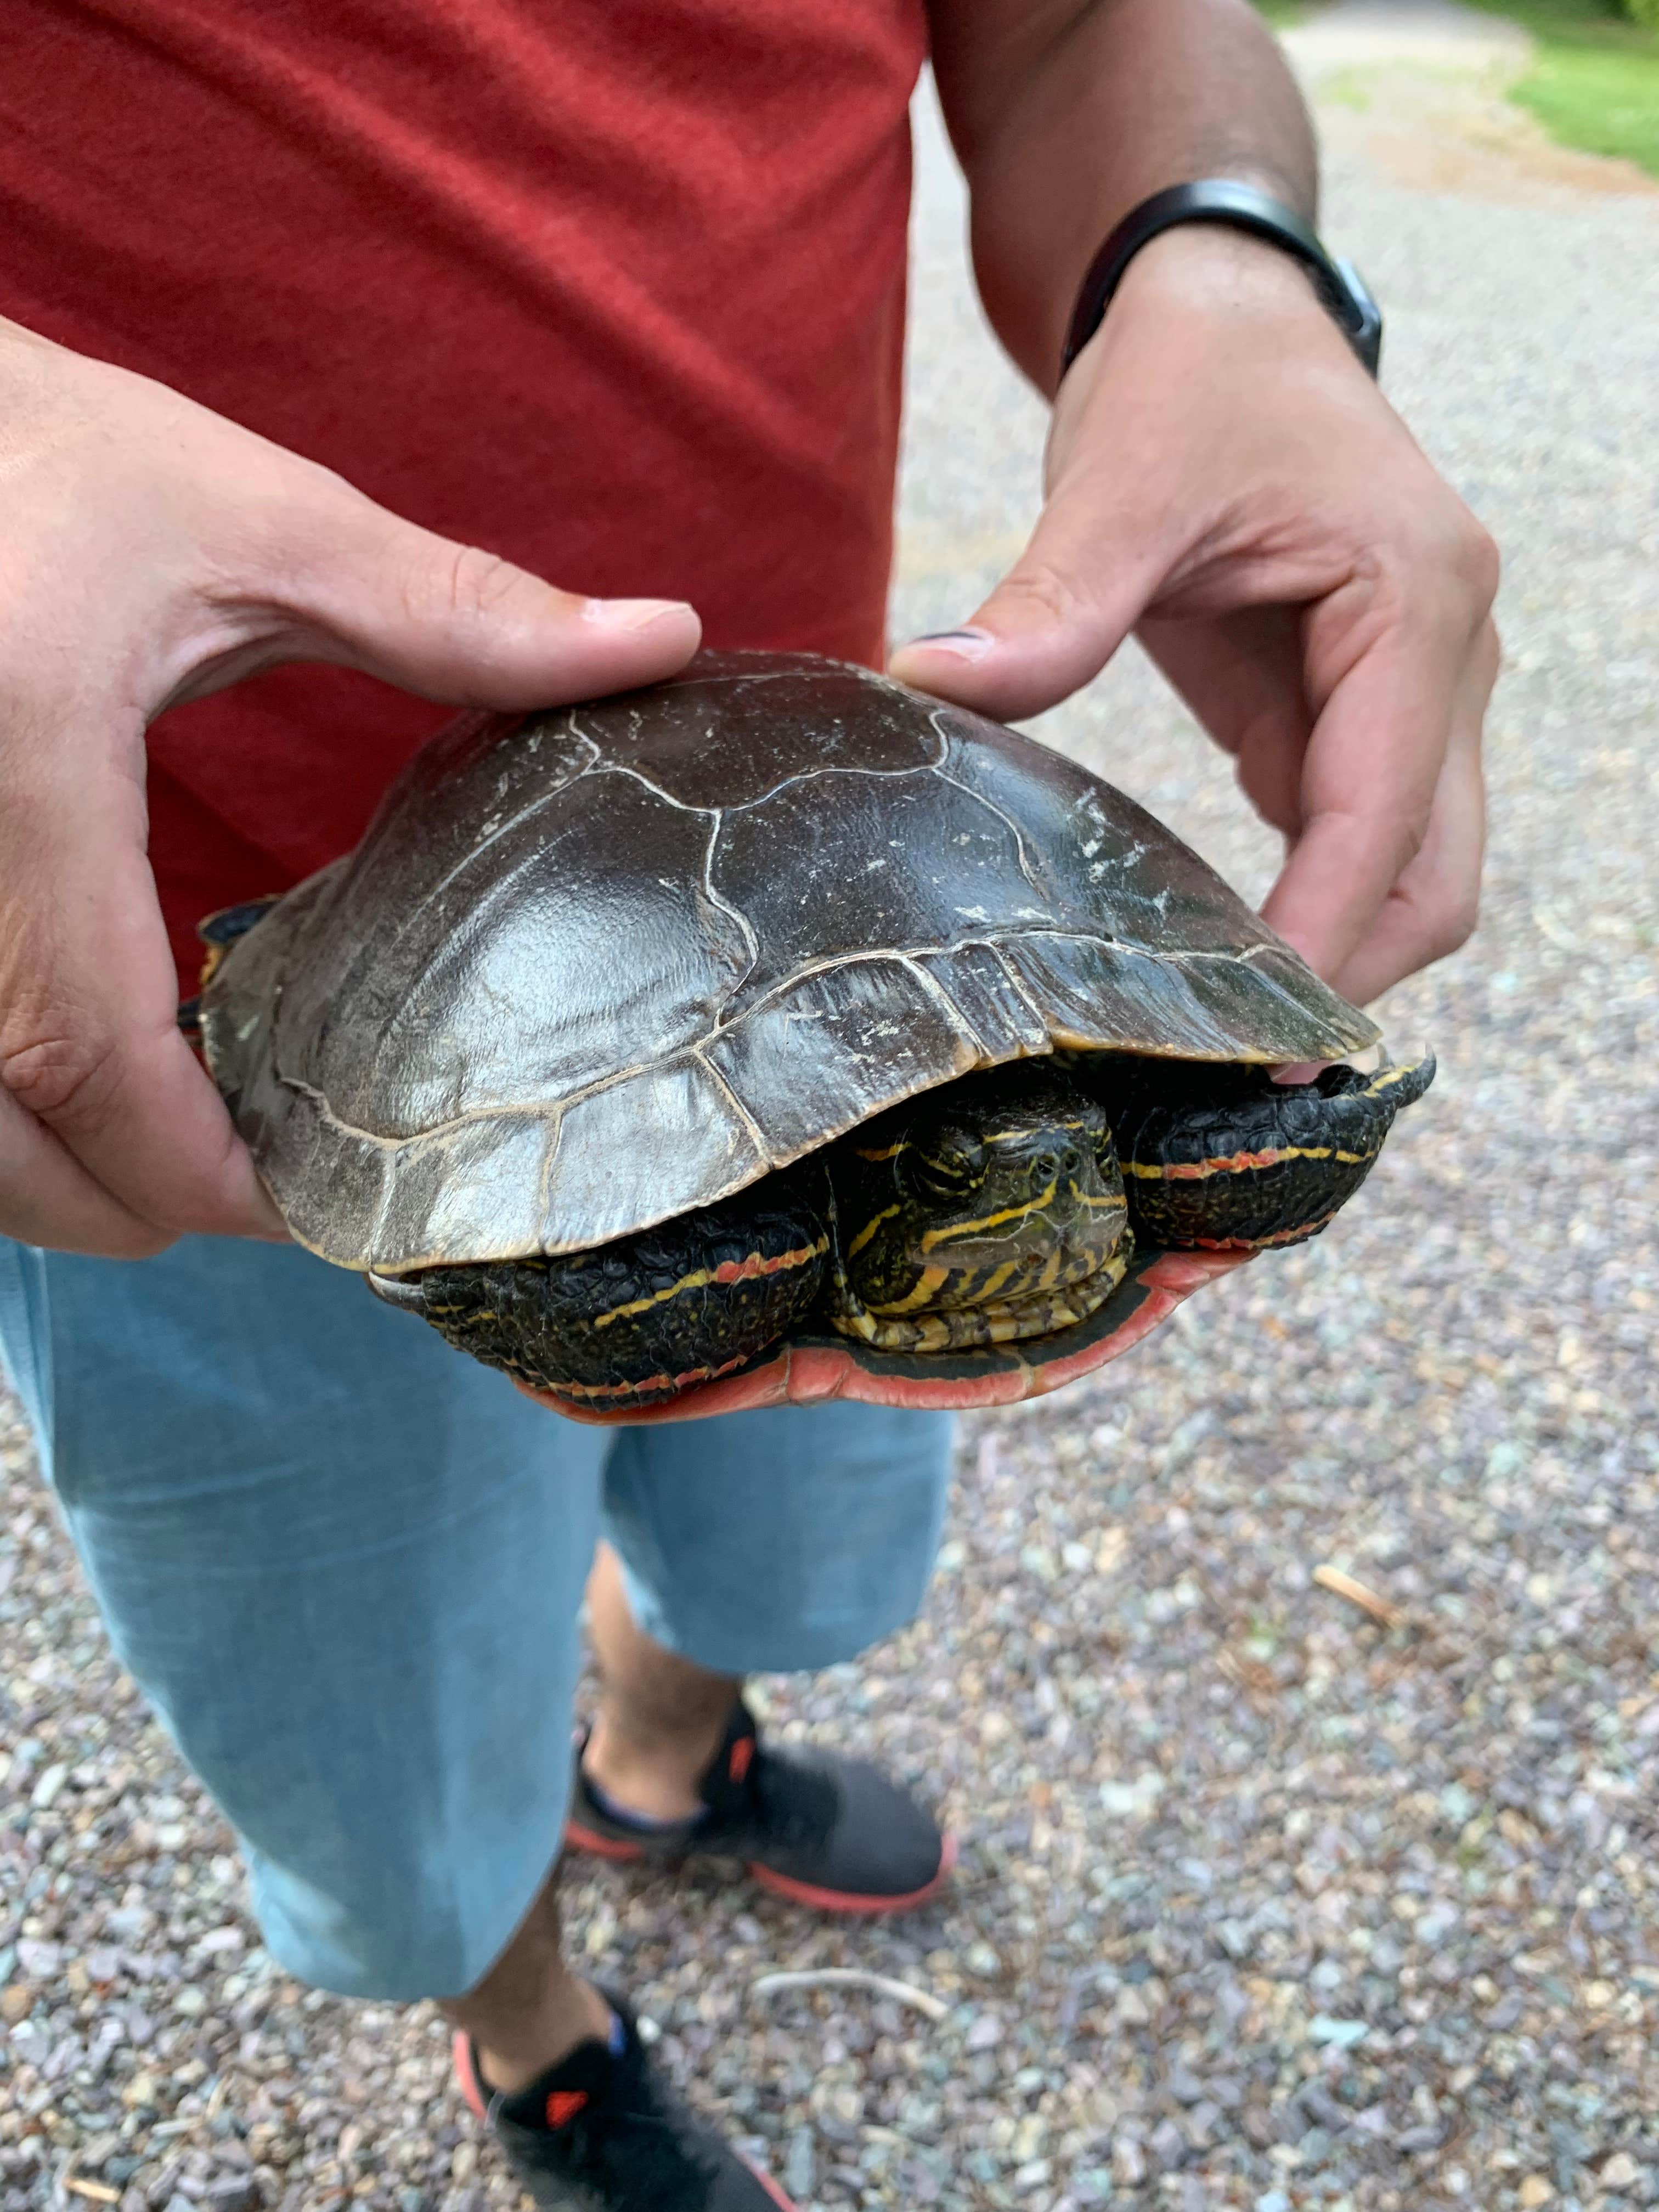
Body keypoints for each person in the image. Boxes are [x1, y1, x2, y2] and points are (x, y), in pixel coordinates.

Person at [0, 1, 1498, 2204]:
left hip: (845, 875)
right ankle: (529, 2025)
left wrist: (1221, 246)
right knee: (388, 1741)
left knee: (794, 1540)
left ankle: (663, 1762)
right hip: (186, 1006)